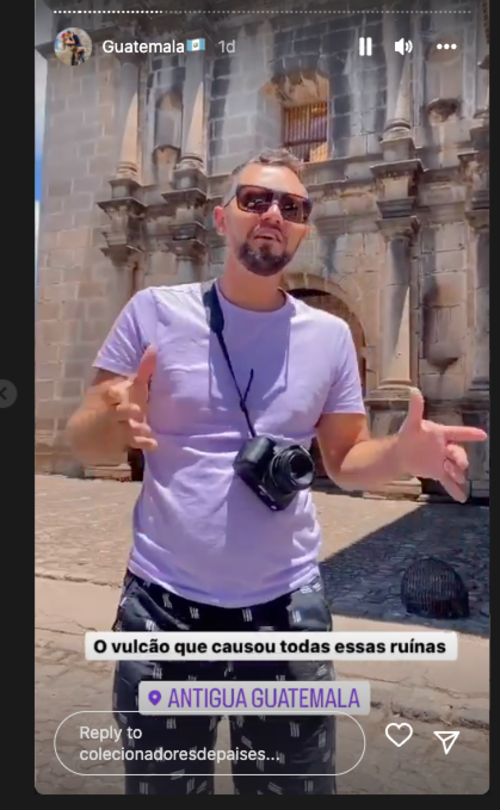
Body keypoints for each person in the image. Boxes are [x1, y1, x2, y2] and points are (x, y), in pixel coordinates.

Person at [66, 148, 487, 795]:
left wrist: (402, 455)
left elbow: (345, 459)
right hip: (165, 611)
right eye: (255, 200)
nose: (272, 215)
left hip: (286, 614)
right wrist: (112, 423)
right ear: (221, 217)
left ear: (302, 228)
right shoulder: (153, 312)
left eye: (291, 207)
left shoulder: (327, 337)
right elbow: (84, 439)